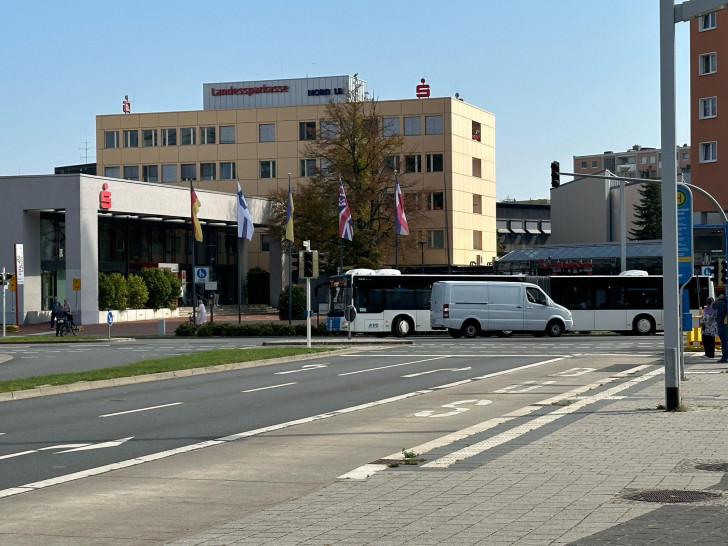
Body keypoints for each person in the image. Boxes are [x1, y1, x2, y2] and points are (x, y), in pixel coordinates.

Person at [712, 292, 728, 363]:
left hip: (723, 322)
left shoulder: (721, 302)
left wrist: (718, 299)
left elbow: (713, 306)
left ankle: (725, 357)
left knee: (724, 340)